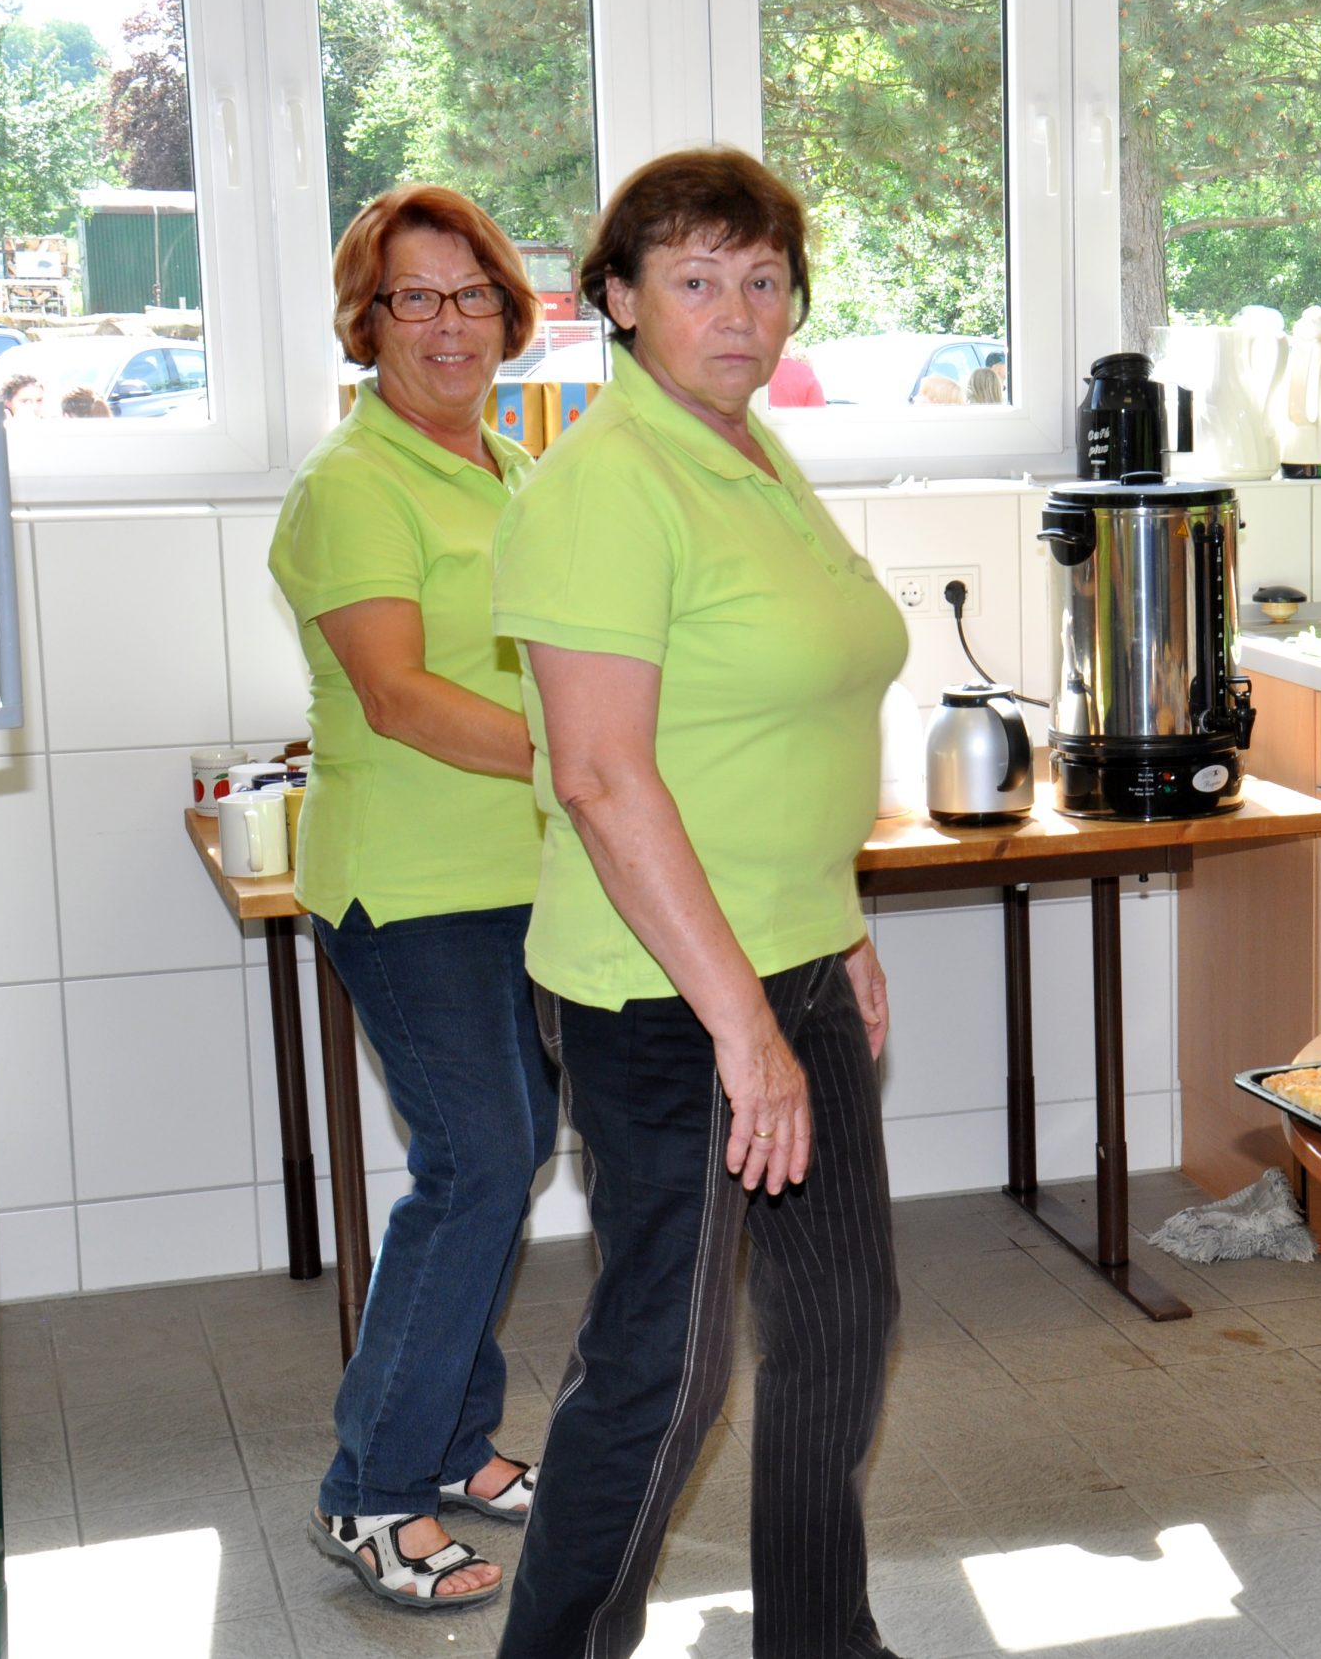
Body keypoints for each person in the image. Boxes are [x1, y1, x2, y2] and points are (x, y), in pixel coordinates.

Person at [488, 146, 907, 1659]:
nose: (739, 311)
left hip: (789, 957)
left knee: (842, 1330)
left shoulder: (747, 453)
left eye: (763, 276)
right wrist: (742, 1026)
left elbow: (771, 734)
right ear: (616, 299)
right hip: (664, 993)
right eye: (694, 279)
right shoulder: (604, 485)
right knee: (665, 1374)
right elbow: (602, 780)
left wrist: (837, 920)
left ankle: (819, 1640)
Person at [269, 183, 558, 1607]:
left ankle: (449, 1442)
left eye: (471, 295)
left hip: (520, 875)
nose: (448, 324)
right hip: (407, 885)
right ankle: (370, 1492)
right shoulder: (354, 484)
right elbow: (396, 697)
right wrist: (591, 765)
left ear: (511, 311)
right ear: (366, 322)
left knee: (511, 1151)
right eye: (413, 298)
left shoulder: (506, 469)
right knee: (480, 1164)